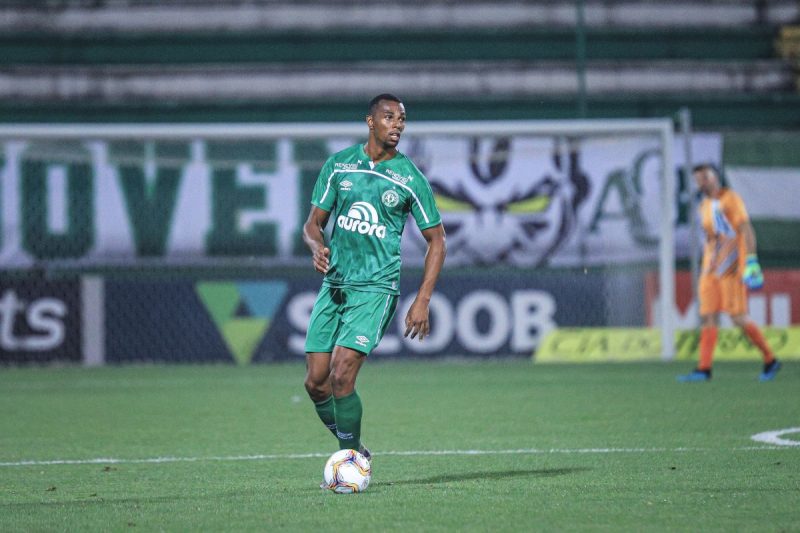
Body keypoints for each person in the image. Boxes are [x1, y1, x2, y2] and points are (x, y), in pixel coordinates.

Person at [302, 94, 446, 462]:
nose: (397, 125)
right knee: (316, 383)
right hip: (334, 285)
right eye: (389, 117)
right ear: (370, 121)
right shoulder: (339, 166)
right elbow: (313, 224)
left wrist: (423, 299)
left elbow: (438, 241)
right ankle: (356, 447)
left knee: (342, 373)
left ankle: (350, 460)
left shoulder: (410, 177)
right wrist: (316, 246)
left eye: (402, 119)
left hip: (375, 289)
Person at [678, 164, 780, 382]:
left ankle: (770, 359)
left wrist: (752, 260)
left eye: (705, 177)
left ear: (716, 177)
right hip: (710, 270)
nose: (701, 182)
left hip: (731, 268)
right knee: (708, 316)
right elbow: (711, 238)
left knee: (737, 317)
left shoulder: (731, 199)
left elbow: (746, 229)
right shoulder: (703, 206)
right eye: (698, 179)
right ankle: (704, 368)